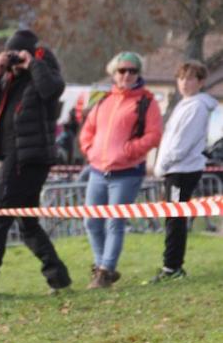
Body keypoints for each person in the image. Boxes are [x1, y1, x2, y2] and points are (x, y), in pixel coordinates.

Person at [0, 29, 72, 294]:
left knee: (0, 216)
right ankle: (58, 277)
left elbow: (51, 90)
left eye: (19, 55)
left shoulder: (43, 72)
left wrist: (33, 64)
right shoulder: (9, 79)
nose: (15, 62)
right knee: (27, 222)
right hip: (18, 156)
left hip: (26, 157)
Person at [79, 52, 162, 289]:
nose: (127, 75)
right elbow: (88, 130)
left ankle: (106, 270)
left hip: (126, 173)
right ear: (113, 73)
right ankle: (100, 266)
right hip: (97, 171)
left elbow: (154, 135)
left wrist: (130, 150)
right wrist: (90, 150)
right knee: (91, 222)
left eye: (132, 71)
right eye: (122, 70)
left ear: (138, 74)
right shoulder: (103, 100)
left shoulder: (147, 101)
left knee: (114, 223)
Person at [150, 60, 217, 283]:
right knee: (172, 217)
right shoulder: (184, 104)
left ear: (200, 82)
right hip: (174, 170)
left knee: (175, 218)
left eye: (190, 78)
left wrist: (162, 165)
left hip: (181, 170)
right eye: (181, 78)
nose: (184, 83)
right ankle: (171, 264)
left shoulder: (197, 107)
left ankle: (172, 267)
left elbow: (181, 144)